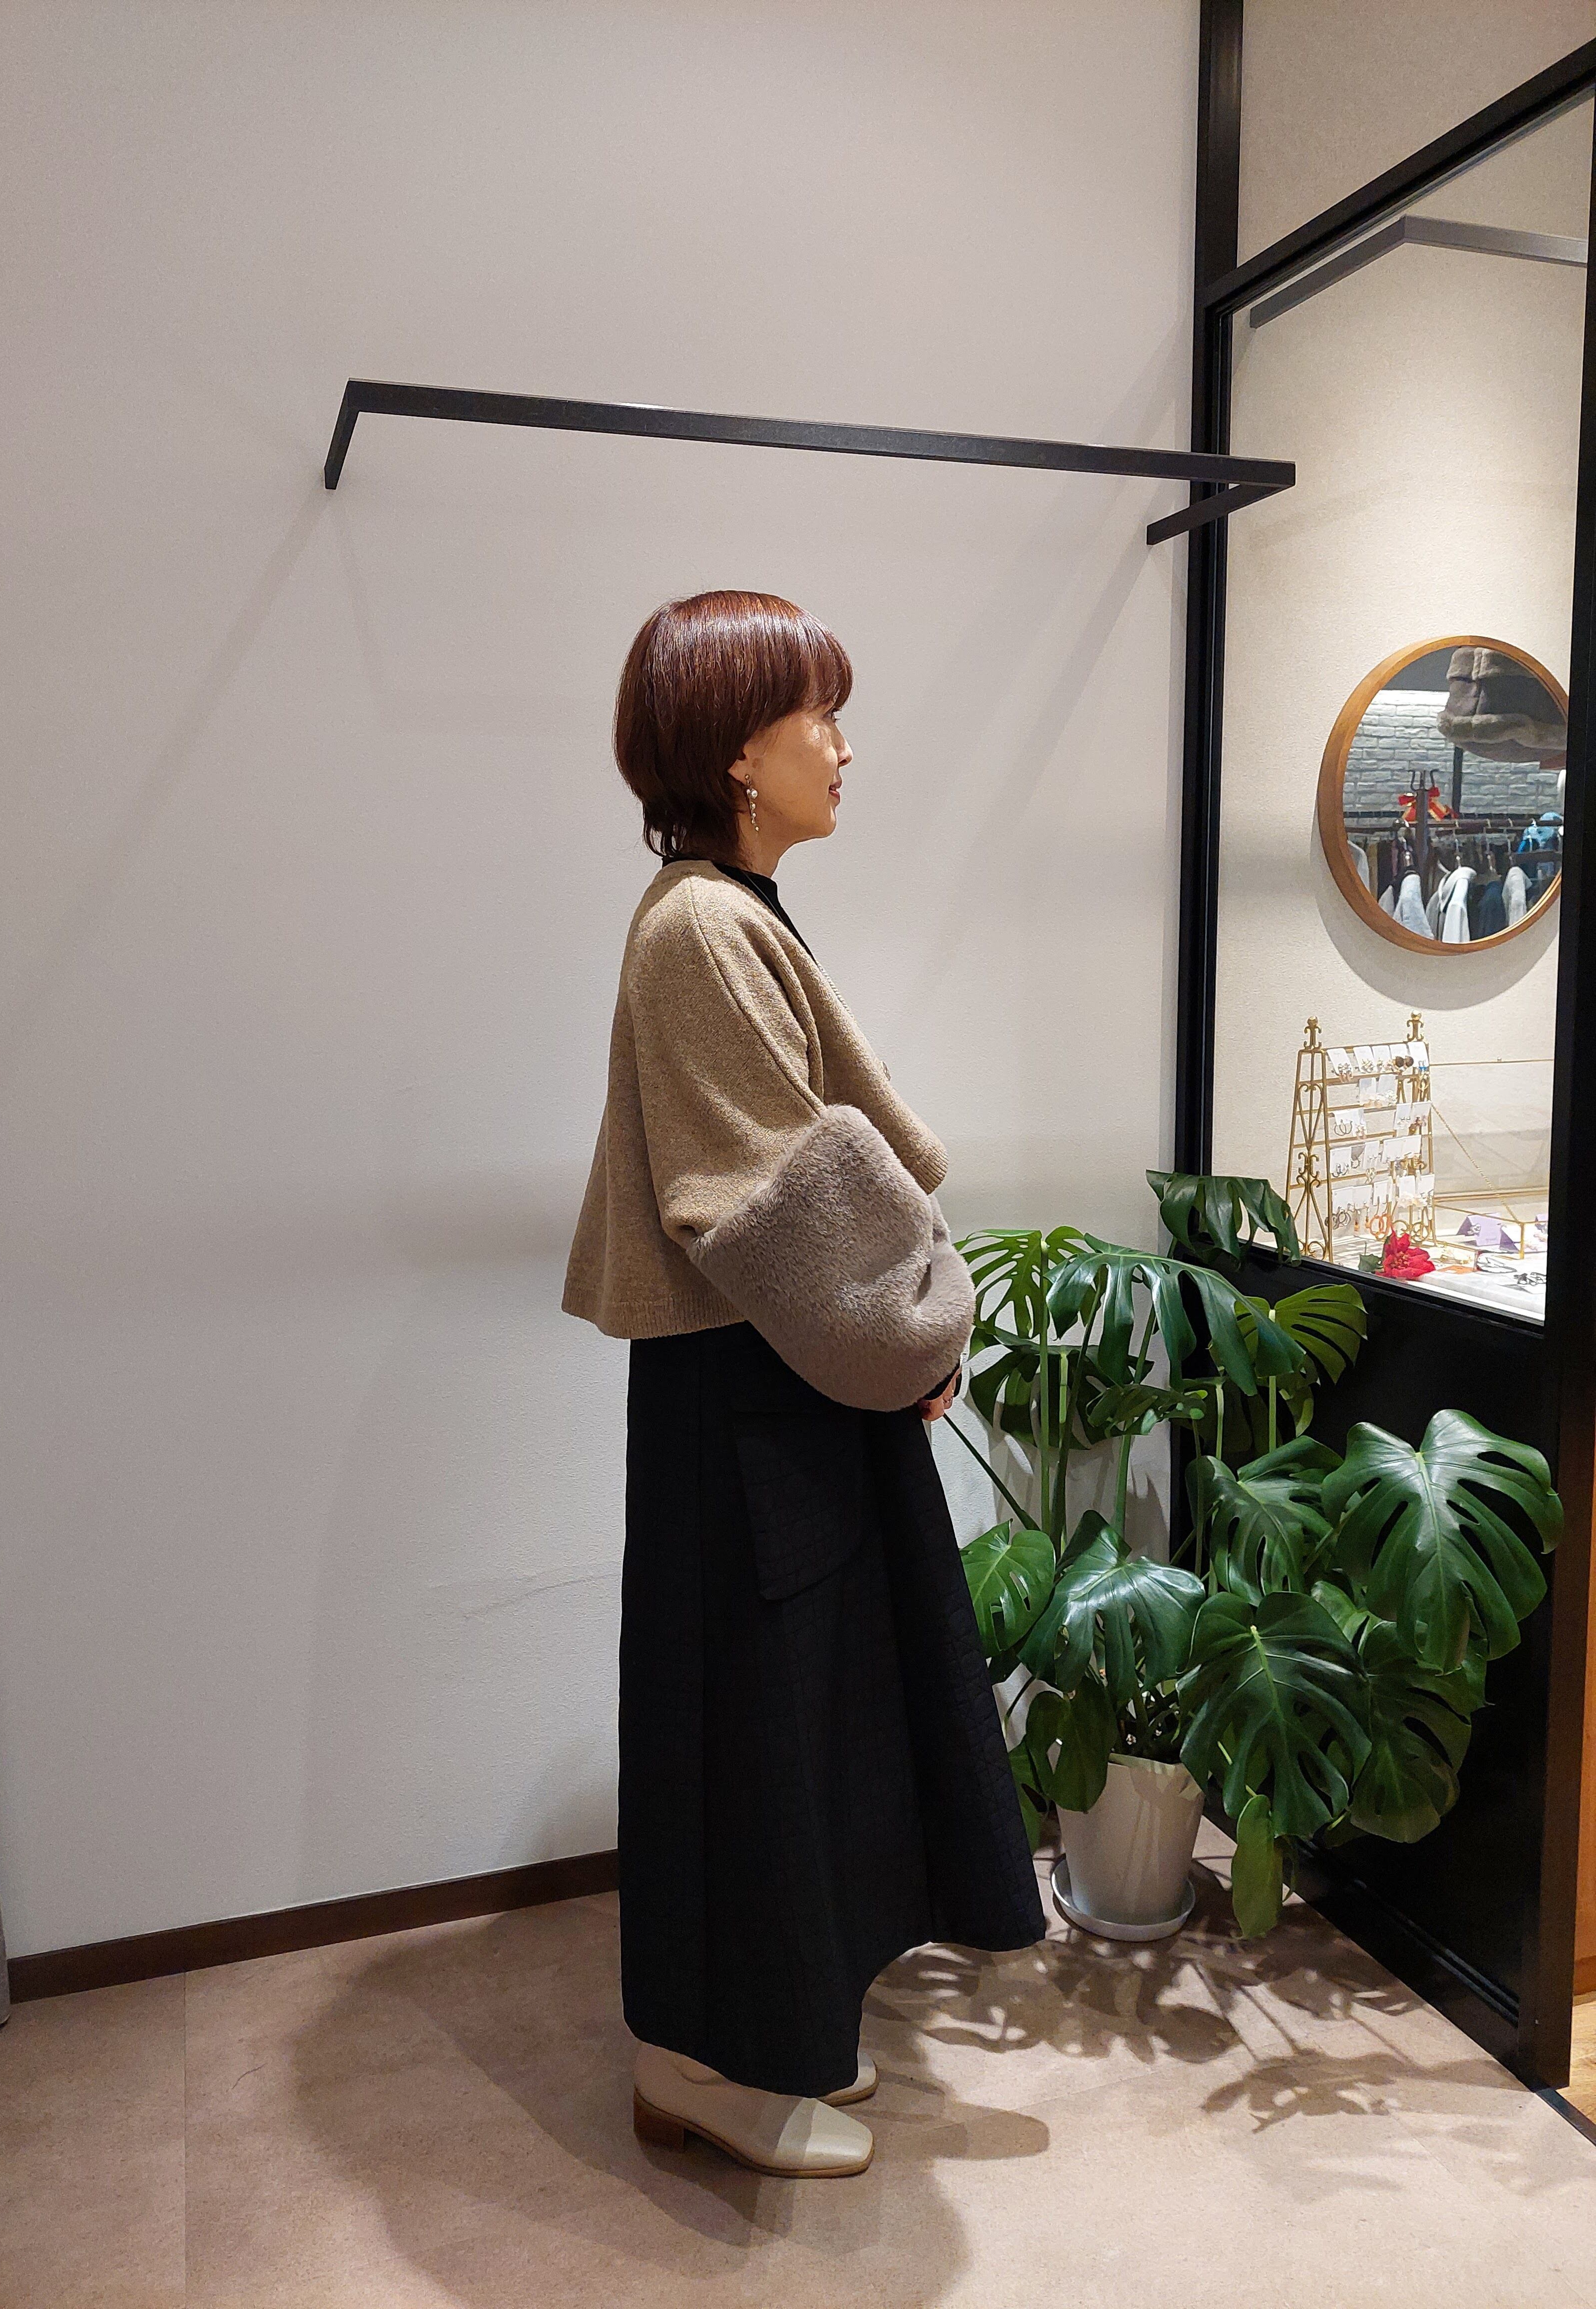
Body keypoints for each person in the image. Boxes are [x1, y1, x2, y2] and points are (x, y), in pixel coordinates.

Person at [564, 590, 1044, 2179]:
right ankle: (702, 2066)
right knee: (750, 1721)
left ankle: (767, 2037)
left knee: (792, 1718)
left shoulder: (726, 912)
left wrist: (892, 1340)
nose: (842, 745)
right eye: (815, 714)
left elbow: (800, 1187)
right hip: (755, 1389)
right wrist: (916, 1337)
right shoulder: (701, 926)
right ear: (734, 752)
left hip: (782, 1381)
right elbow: (768, 1206)